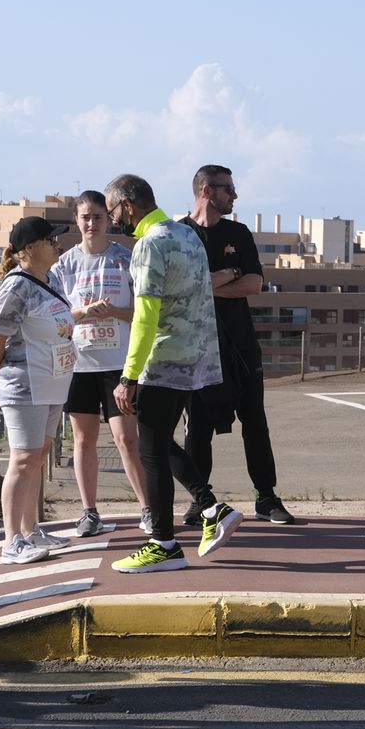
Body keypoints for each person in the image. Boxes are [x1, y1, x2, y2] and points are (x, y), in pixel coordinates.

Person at [104, 174, 244, 571]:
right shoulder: (187, 236)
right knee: (160, 442)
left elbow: (147, 316)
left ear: (128, 205)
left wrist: (128, 377)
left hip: (161, 361)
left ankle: (163, 544)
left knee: (151, 453)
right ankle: (210, 507)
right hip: (193, 359)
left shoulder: (149, 245)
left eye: (114, 211)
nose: (116, 220)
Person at [177, 165, 295, 525]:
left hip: (241, 346)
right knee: (198, 427)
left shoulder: (238, 233)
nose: (235, 195)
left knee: (255, 422)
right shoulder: (178, 234)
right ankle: (203, 500)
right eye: (228, 189)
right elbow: (179, 288)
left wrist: (208, 283)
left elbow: (254, 285)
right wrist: (229, 275)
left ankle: (266, 496)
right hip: (197, 347)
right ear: (206, 191)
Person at [50, 191, 149, 538]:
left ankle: (148, 509)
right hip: (79, 365)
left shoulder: (125, 259)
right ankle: (89, 511)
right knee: (83, 439)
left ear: (109, 220)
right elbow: (56, 317)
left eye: (98, 217)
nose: (92, 224)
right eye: (85, 217)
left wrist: (113, 312)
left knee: (126, 439)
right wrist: (83, 312)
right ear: (76, 221)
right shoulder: (63, 266)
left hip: (118, 365)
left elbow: (142, 311)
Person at [0, 217, 77, 565]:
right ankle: (12, 540)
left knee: (38, 458)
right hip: (25, 381)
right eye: (49, 239)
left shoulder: (48, 278)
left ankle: (30, 530)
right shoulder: (16, 287)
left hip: (51, 380)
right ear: (28, 249)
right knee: (23, 459)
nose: (56, 243)